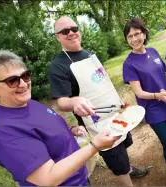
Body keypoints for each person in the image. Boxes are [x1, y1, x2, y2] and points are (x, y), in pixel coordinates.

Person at [0, 49, 119, 186]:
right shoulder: (3, 132)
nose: (23, 84)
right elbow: (47, 178)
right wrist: (94, 146)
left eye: (25, 76)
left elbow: (45, 129)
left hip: (79, 179)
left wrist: (71, 130)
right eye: (12, 80)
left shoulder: (29, 103)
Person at [48, 16, 149, 186]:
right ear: (57, 36)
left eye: (74, 28)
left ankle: (129, 169)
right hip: (98, 122)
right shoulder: (58, 66)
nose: (71, 33)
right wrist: (74, 102)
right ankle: (127, 179)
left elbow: (102, 83)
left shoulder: (89, 54)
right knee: (114, 154)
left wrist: (118, 102)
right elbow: (62, 102)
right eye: (65, 31)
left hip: (117, 112)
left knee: (123, 145)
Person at [122, 18, 166, 185]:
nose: (134, 39)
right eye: (130, 36)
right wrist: (157, 95)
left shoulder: (153, 52)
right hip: (153, 108)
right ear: (127, 40)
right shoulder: (129, 64)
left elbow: (162, 76)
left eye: (137, 34)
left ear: (144, 33)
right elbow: (138, 92)